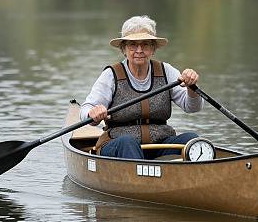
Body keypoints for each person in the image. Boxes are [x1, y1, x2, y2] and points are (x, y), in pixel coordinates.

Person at [80, 15, 204, 159]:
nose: (139, 50)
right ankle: (142, 178)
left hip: (160, 144)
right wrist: (93, 114)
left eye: (145, 44)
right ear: (124, 49)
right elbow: (85, 110)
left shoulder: (166, 71)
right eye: (133, 45)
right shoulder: (111, 75)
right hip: (118, 145)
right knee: (128, 143)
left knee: (192, 139)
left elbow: (193, 108)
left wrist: (192, 88)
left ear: (153, 48)